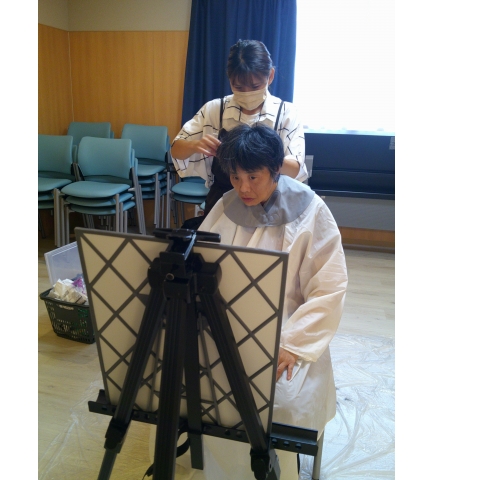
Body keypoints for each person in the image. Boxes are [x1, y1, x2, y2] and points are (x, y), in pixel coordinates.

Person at [168, 124, 348, 479]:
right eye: (235, 177)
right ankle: (211, 467)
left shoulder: (312, 210)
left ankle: (270, 469)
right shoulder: (226, 205)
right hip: (223, 320)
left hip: (288, 325)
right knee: (189, 381)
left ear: (276, 169)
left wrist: (294, 344)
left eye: (253, 177)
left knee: (279, 401)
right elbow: (203, 264)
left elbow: (329, 288)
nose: (244, 188)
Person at [170, 39, 307, 225]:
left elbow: (295, 168)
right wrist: (195, 145)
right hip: (222, 201)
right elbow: (176, 149)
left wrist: (259, 159)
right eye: (239, 87)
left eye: (255, 86)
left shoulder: (286, 113)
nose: (247, 93)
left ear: (270, 76)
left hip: (270, 205)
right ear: (229, 80)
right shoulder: (214, 110)